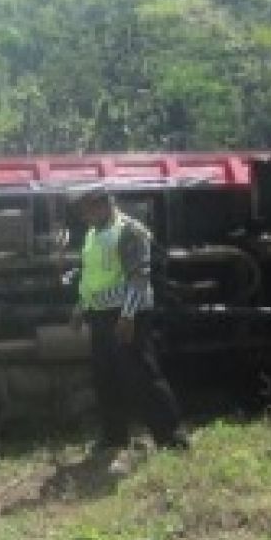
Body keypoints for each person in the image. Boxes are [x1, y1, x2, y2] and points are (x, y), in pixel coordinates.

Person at [71, 186, 189, 462]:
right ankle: (114, 437)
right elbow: (91, 277)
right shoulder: (93, 234)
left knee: (142, 375)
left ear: (101, 204)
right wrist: (80, 307)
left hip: (126, 315)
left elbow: (139, 276)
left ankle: (171, 437)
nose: (83, 217)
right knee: (106, 377)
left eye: (86, 210)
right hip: (100, 315)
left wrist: (128, 315)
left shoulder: (130, 231)